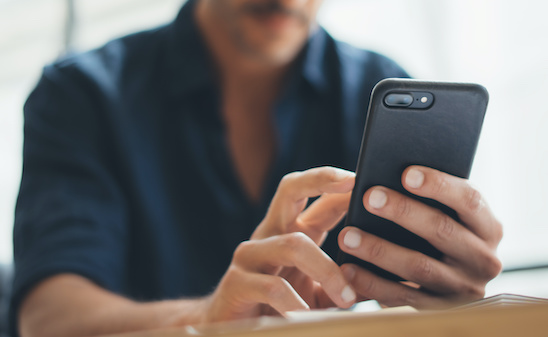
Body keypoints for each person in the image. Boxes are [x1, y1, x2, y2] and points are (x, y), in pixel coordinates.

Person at [10, 0, 503, 336]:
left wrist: (449, 297)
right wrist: (208, 321)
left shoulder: (381, 87)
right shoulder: (83, 96)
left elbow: (421, 290)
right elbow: (49, 318)